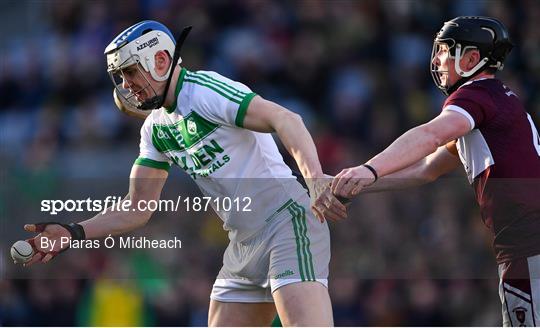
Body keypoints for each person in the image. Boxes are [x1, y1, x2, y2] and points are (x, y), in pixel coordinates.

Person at [22, 20, 346, 326]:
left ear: (160, 61)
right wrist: (73, 233)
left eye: (130, 71)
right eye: (119, 77)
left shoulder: (206, 91)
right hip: (244, 243)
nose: (125, 85)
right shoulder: (155, 130)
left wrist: (315, 179)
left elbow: (287, 119)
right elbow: (136, 209)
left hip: (286, 221)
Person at [327, 16, 540, 326]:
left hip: (528, 246)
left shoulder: (476, 95)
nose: (438, 59)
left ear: (471, 59)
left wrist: (369, 168)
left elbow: (431, 136)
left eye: (445, 50)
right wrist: (358, 184)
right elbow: (427, 169)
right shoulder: (496, 105)